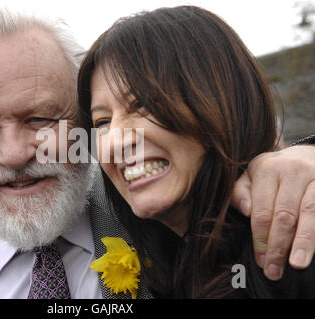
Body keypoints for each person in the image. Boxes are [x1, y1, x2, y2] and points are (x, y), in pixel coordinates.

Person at [0, 5, 315, 299]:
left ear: (82, 120)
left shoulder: (170, 218)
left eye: (40, 119)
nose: (16, 153)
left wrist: (297, 159)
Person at [77, 6, 315, 297]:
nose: (114, 141)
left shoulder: (297, 240)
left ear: (219, 98)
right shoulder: (161, 270)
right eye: (102, 121)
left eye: (141, 104)